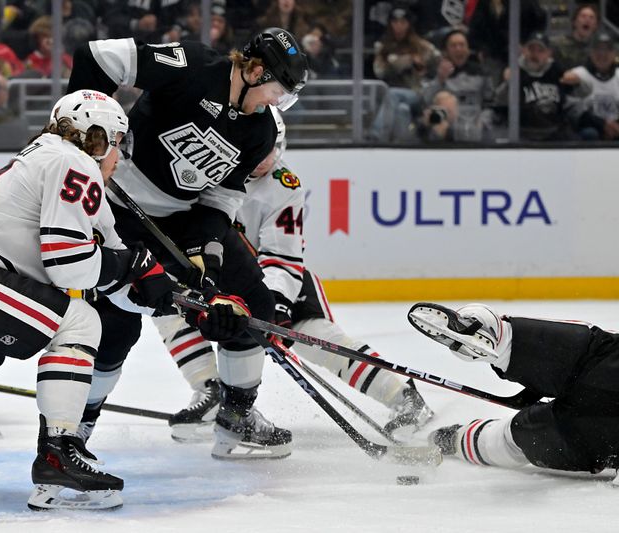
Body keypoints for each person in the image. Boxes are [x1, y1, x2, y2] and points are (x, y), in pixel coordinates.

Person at [0, 89, 240, 511]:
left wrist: (184, 306)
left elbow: (119, 283)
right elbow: (72, 266)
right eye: (119, 143)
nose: (121, 156)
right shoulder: (71, 161)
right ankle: (58, 452)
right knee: (78, 321)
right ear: (99, 137)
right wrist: (133, 264)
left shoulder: (53, 163)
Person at [66, 28, 309, 460]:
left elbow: (220, 200)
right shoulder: (194, 65)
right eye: (277, 91)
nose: (276, 103)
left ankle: (237, 416)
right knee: (114, 327)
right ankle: (73, 435)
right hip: (115, 206)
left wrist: (207, 260)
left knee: (250, 302)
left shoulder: (261, 130)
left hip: (181, 218)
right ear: (254, 70)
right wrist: (81, 142)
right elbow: (98, 57)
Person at [156, 108, 433, 442]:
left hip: (278, 283)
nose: (265, 156)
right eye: (258, 146)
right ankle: (212, 390)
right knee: (168, 310)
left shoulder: (283, 186)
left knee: (322, 343)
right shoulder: (207, 174)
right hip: (213, 279)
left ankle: (403, 396)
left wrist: (273, 305)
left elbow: (281, 255)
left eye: (272, 147)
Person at [408, 302, 619, 478]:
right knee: (512, 441)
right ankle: (457, 438)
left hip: (605, 376)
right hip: (599, 437)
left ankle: (496, 336)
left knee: (588, 352)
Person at [494, 32, 593, 142]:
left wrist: (578, 82)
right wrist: (508, 84)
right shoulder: (515, 71)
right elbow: (498, 102)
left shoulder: (556, 69)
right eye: (531, 49)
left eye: (540, 50)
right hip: (523, 133)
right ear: (524, 51)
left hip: (555, 132)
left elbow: (585, 93)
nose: (535, 54)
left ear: (548, 53)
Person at [371, 6, 440, 141]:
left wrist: (422, 65)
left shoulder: (422, 46)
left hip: (416, 93)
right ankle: (403, 144)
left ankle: (376, 135)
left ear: (409, 25)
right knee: (402, 109)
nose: (399, 26)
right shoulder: (382, 47)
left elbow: (438, 61)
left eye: (403, 22)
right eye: (395, 22)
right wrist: (402, 62)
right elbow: (379, 72)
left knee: (392, 94)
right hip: (391, 97)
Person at [423, 29, 495, 142]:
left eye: (462, 45)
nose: (458, 49)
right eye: (453, 45)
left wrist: (483, 121)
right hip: (447, 123)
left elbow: (490, 103)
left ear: (468, 49)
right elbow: (425, 100)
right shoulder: (435, 72)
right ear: (446, 51)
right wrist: (440, 79)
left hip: (475, 121)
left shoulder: (481, 72)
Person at [560, 32, 619, 141]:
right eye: (598, 50)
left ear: (614, 53)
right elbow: (573, 112)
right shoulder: (577, 75)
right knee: (590, 133)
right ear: (591, 52)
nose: (602, 54)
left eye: (607, 50)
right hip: (590, 131)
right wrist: (603, 125)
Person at [551, 4, 600, 71]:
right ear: (574, 22)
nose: (587, 20)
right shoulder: (558, 44)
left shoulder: (598, 48)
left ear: (596, 25)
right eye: (583, 16)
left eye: (591, 17)